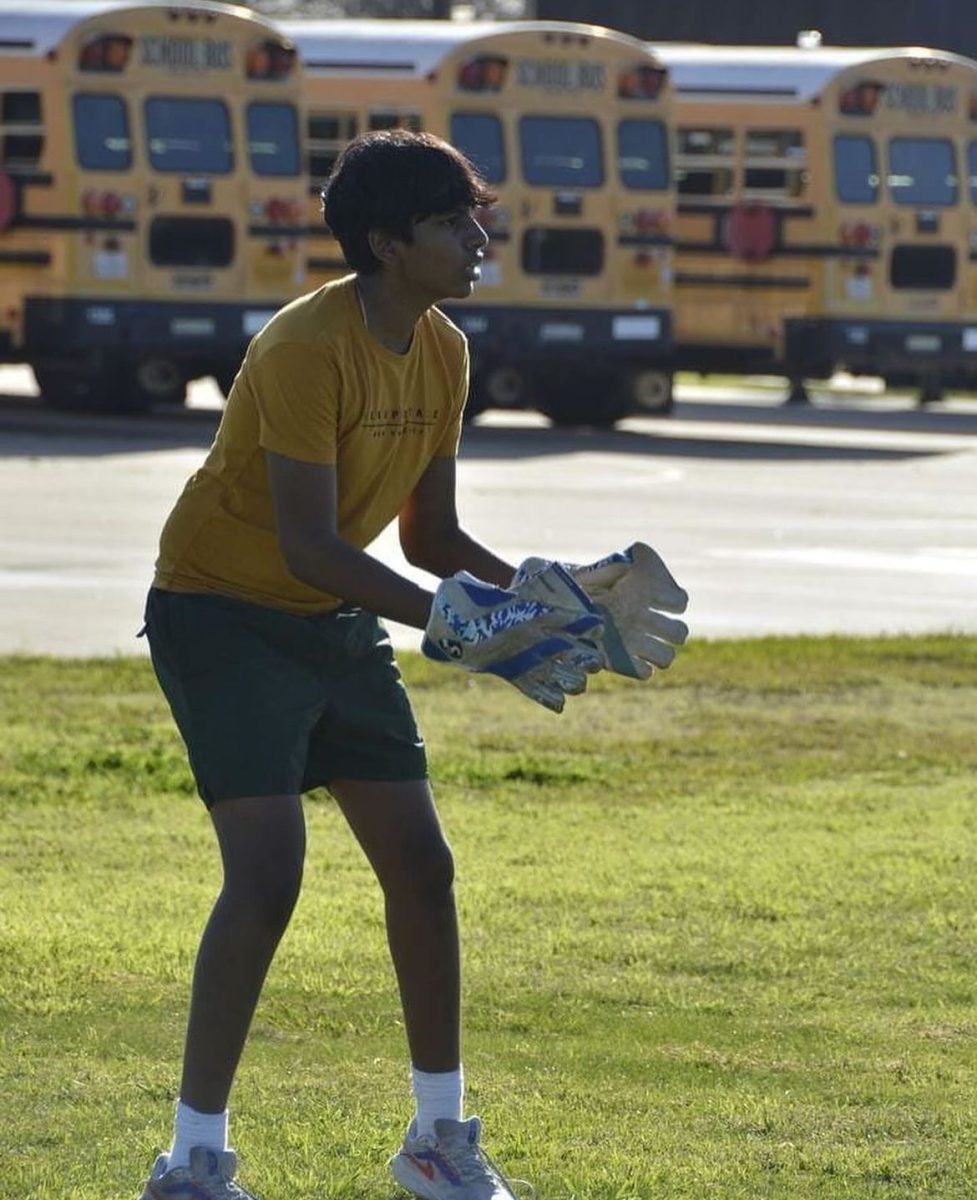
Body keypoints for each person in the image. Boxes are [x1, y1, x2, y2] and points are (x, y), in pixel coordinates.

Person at [135, 129, 607, 1200]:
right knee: (266, 879)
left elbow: (428, 539)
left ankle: (436, 1143)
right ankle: (192, 1159)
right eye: (453, 222)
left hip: (331, 619)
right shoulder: (305, 346)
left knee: (423, 867)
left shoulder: (441, 345)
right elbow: (310, 545)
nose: (478, 237)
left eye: (473, 215)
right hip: (221, 615)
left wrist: (543, 599)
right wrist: (468, 633)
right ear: (390, 244)